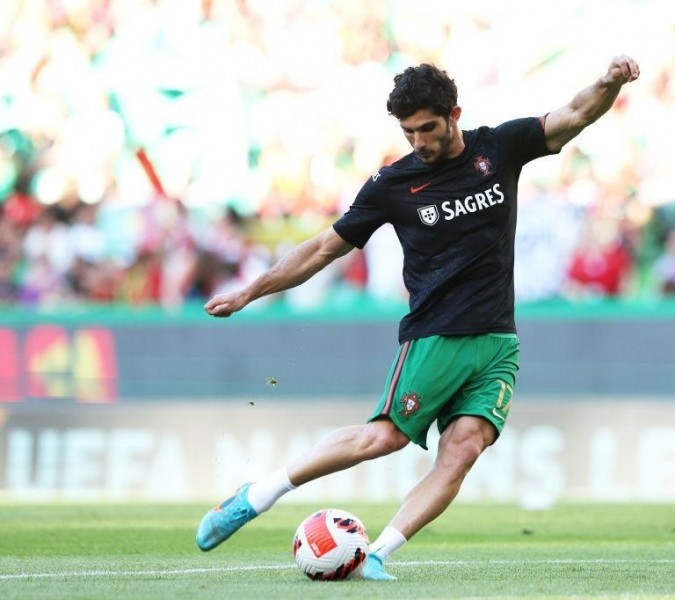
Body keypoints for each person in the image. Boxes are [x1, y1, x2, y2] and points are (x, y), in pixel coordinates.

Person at [195, 55, 641, 580]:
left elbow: (575, 114)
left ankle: (378, 552)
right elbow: (321, 250)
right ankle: (256, 496)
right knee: (383, 439)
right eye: (408, 132)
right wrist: (252, 290)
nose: (419, 142)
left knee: (464, 449)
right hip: (436, 337)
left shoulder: (499, 148)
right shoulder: (392, 184)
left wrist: (608, 82)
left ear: (454, 115)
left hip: (499, 341)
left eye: (427, 129)